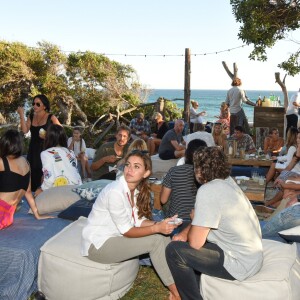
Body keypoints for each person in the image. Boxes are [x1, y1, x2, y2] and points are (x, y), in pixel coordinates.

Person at [165, 147, 263, 300]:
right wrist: (184, 233)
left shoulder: (208, 190)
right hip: (250, 255)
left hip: (240, 263)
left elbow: (196, 244)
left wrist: (188, 230)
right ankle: (197, 287)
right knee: (184, 228)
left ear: (199, 170)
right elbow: (200, 221)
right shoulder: (227, 181)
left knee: (174, 251)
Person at [81, 150, 181, 300]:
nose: (129, 170)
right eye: (128, 165)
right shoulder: (115, 191)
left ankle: (177, 281)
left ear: (146, 173)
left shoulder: (131, 191)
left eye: (136, 166)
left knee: (162, 236)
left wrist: (160, 224)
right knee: (155, 240)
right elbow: (127, 230)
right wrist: (156, 228)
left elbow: (138, 220)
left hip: (114, 238)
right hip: (98, 246)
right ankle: (177, 292)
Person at [0, 129, 53, 229]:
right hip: (7, 218)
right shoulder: (26, 163)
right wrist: (37, 214)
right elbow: (28, 192)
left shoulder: (2, 161)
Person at [160, 139, 207, 232]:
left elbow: (163, 200)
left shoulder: (174, 171)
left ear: (187, 153)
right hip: (197, 224)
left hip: (176, 222)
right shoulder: (207, 175)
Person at [17, 94, 61, 191]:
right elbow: (24, 131)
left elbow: (60, 132)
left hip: (46, 149)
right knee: (31, 172)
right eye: (33, 103)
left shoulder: (51, 117)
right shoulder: (31, 116)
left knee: (44, 172)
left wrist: (48, 135)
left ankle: (44, 194)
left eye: (38, 104)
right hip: (33, 149)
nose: (34, 106)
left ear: (44, 106)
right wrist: (21, 115)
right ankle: (32, 195)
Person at [34, 124, 82, 197]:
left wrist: (42, 189)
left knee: (36, 193)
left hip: (60, 193)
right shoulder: (70, 152)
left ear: (48, 138)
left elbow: (49, 178)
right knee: (42, 177)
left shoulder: (45, 153)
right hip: (77, 190)